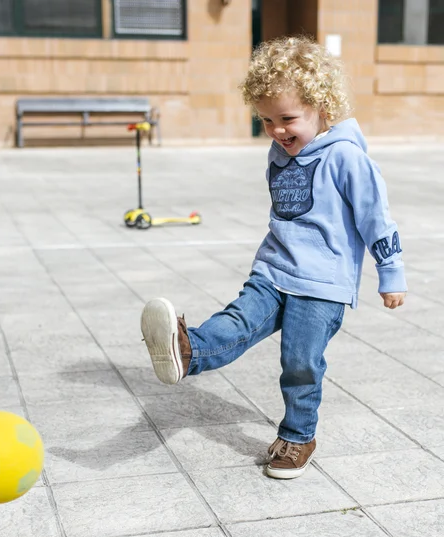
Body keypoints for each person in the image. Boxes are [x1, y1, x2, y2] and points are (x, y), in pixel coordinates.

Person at [140, 36, 407, 480]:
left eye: (287, 119)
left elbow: (376, 218)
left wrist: (390, 273)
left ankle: (298, 437)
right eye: (266, 121)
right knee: (237, 321)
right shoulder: (279, 153)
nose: (278, 131)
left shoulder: (347, 158)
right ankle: (187, 351)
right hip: (273, 269)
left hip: (320, 285)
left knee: (299, 363)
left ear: (323, 108)